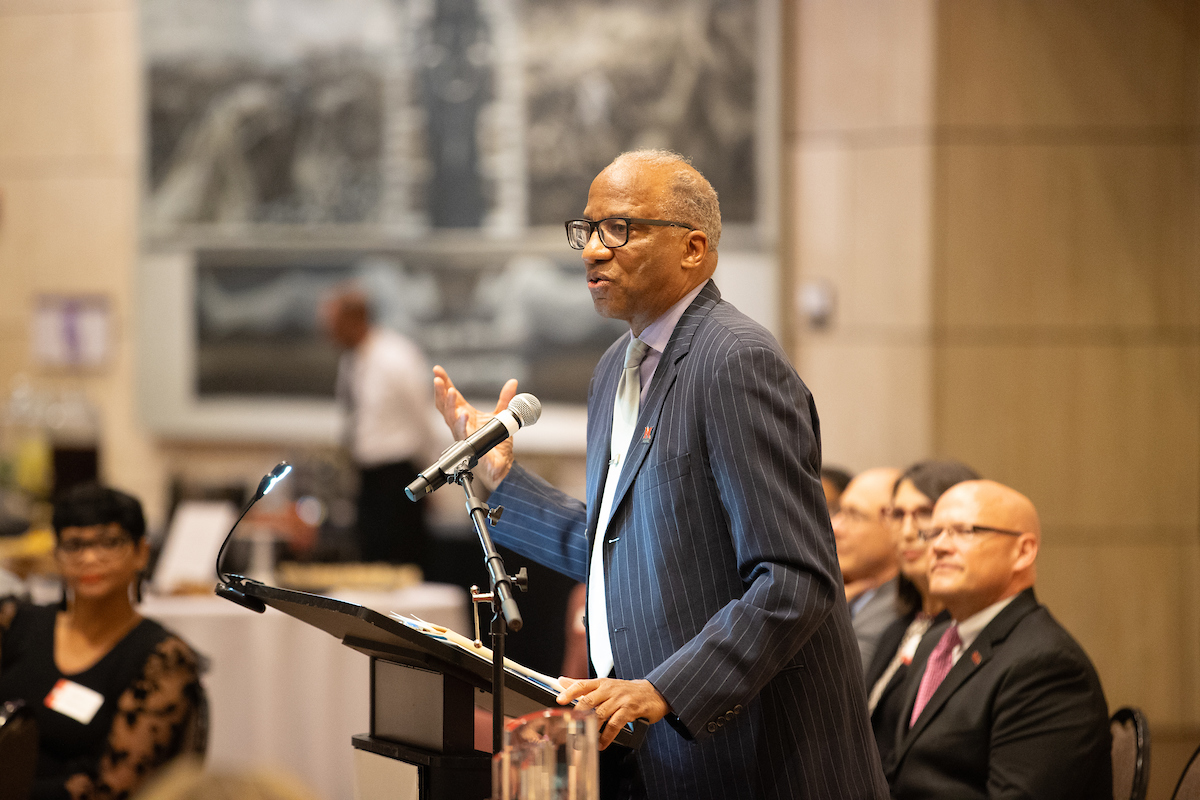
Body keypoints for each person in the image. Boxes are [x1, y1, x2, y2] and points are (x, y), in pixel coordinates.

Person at [432, 150, 887, 799]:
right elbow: (617, 548)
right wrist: (503, 480)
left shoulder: (733, 361)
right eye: (585, 230)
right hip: (638, 750)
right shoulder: (614, 369)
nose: (592, 250)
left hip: (747, 757)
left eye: (619, 229)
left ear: (694, 248)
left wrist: (664, 689)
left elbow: (795, 578)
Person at [887, 480, 1111, 799]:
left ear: (1023, 551)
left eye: (964, 531)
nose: (938, 546)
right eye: (934, 532)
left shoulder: (1046, 665)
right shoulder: (933, 642)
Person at [0, 484, 202, 800]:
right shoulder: (15, 624)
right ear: (57, 556)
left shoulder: (163, 658)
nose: (90, 557)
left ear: (141, 553)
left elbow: (115, 790)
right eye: (74, 545)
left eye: (110, 543)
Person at [862, 459, 978, 767]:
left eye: (925, 513)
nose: (908, 531)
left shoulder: (963, 635)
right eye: (898, 515)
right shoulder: (897, 629)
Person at [322, 288, 433, 566]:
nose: (328, 332)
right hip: (368, 477)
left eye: (333, 325)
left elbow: (423, 417)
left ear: (354, 320)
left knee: (402, 561)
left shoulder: (397, 356)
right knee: (369, 559)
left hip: (399, 475)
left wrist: (434, 476)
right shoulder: (350, 360)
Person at [831, 467, 902, 672]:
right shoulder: (854, 593)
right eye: (839, 511)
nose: (835, 527)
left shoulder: (899, 608)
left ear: (896, 524)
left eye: (854, 515)